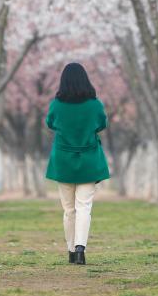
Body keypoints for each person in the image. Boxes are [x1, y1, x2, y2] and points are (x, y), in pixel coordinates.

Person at [44, 62, 110, 265]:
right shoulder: (95, 104)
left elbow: (50, 123)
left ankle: (71, 250)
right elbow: (102, 124)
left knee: (69, 209)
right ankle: (81, 248)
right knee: (84, 207)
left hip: (63, 161)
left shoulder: (56, 105)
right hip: (89, 161)